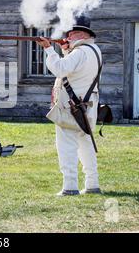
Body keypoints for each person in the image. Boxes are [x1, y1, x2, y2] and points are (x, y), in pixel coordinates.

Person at [37, 16, 102, 196]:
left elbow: (60, 69)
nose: (69, 36)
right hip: (87, 107)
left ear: (81, 34)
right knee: (86, 144)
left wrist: (49, 50)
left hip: (72, 107)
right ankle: (92, 184)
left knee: (66, 146)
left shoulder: (80, 52)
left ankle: (70, 186)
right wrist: (65, 51)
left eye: (72, 33)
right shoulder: (93, 50)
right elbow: (73, 70)